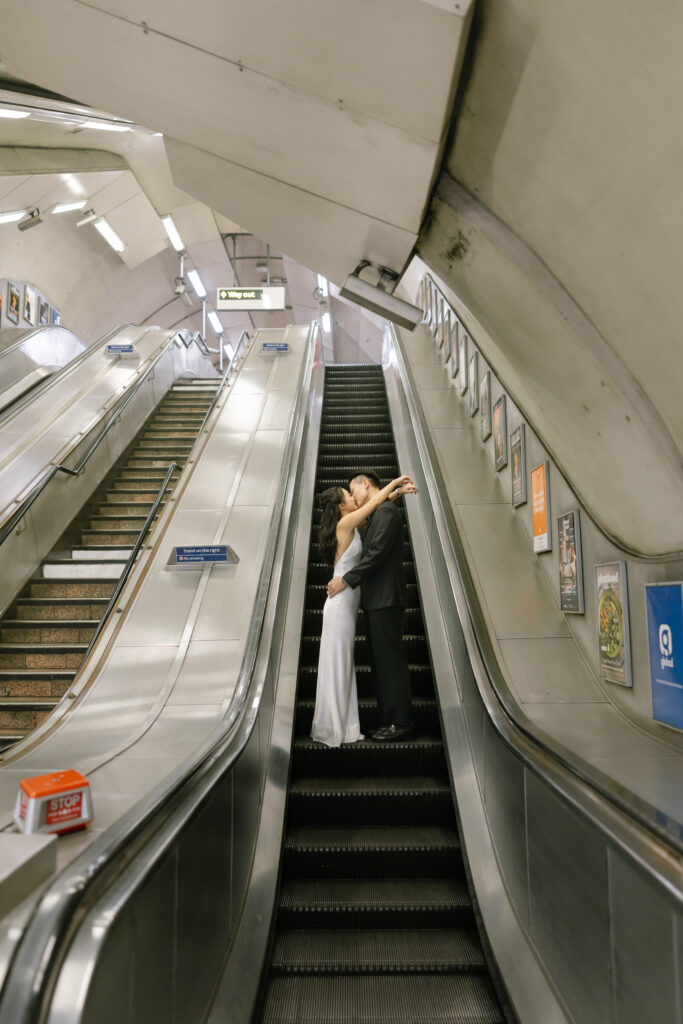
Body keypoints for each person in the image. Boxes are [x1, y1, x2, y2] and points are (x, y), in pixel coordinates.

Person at [312, 473, 416, 747]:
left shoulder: (373, 517)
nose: (352, 495)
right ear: (342, 506)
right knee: (341, 662)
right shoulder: (349, 523)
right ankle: (338, 723)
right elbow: (375, 509)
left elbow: (377, 546)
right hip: (346, 603)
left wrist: (394, 491)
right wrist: (394, 487)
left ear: (365, 484)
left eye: (352, 489)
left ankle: (394, 722)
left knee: (366, 662)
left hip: (372, 599)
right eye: (347, 494)